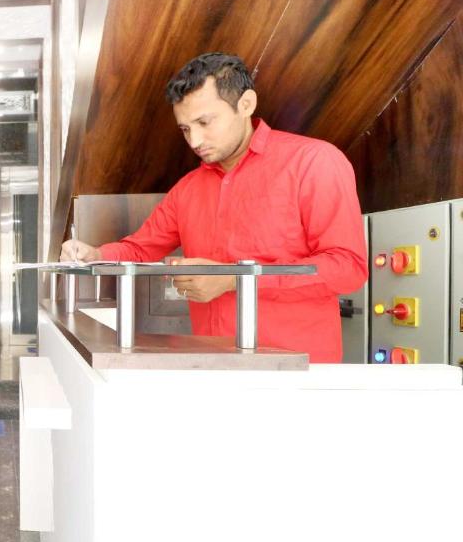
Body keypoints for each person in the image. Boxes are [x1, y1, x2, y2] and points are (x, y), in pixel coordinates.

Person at [60, 52, 367, 362]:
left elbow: (347, 268)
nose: (195, 141)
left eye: (204, 122)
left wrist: (234, 279)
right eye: (185, 129)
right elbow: (141, 249)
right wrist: (95, 255)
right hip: (213, 369)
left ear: (246, 104)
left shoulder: (314, 162)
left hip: (300, 374)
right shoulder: (188, 189)